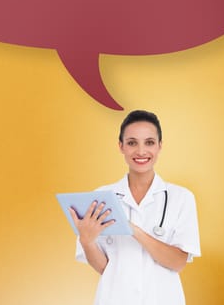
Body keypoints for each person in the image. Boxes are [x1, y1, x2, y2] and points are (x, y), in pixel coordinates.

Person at [69, 110, 201, 305]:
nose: (141, 151)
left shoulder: (181, 198)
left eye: (149, 142)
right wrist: (87, 241)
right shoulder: (101, 197)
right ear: (121, 146)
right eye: (132, 143)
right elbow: (105, 268)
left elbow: (178, 262)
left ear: (159, 146)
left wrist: (133, 229)